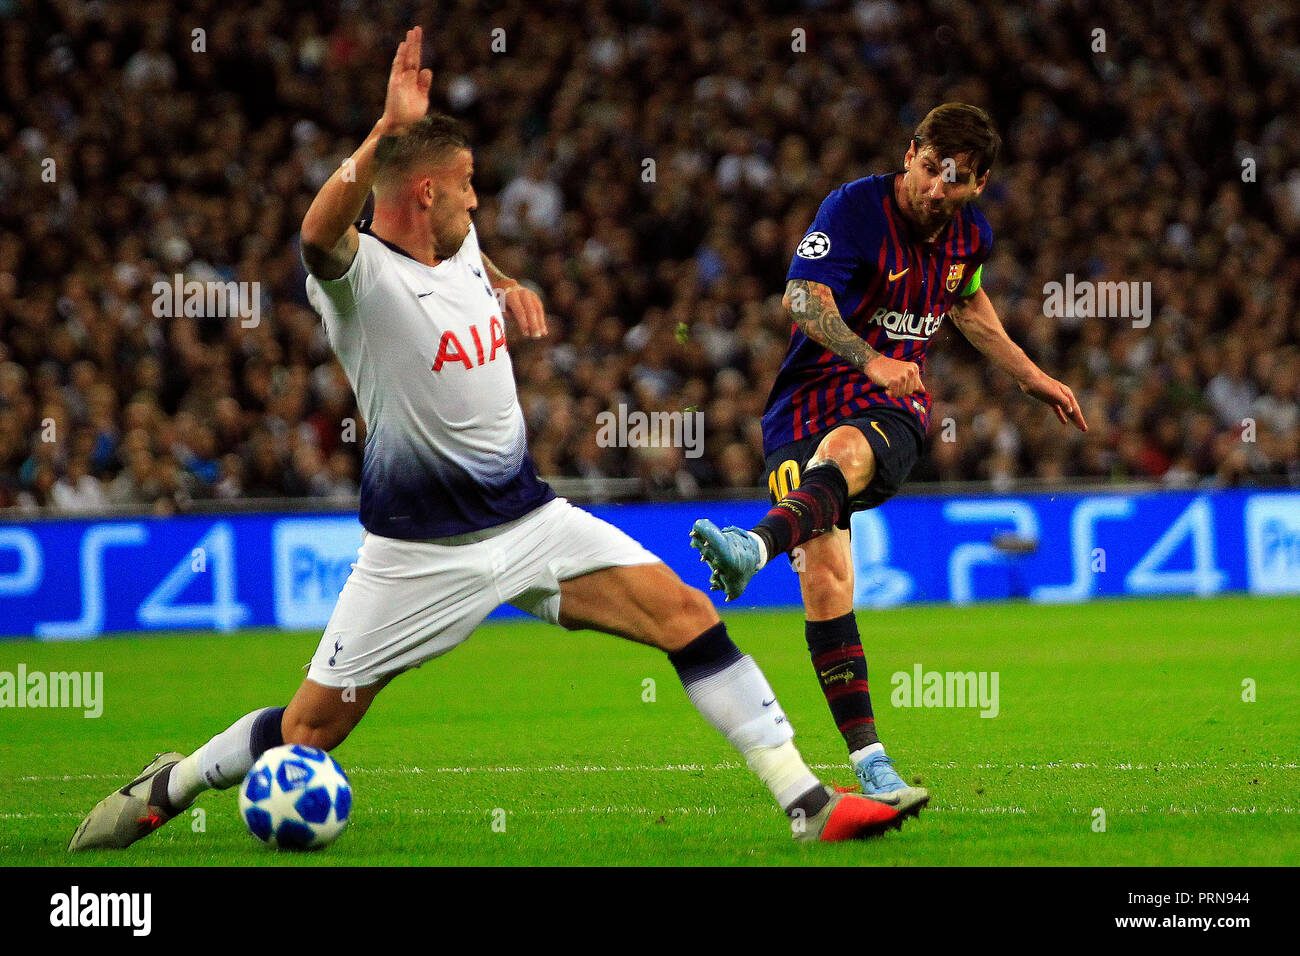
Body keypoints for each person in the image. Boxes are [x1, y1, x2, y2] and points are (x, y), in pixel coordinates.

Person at [69, 28, 919, 852]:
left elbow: (480, 261)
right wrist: (382, 133)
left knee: (688, 615)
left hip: (530, 521)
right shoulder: (360, 279)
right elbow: (315, 234)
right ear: (425, 193)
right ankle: (172, 786)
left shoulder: (463, 244)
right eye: (467, 185)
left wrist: (511, 287)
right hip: (417, 555)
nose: (480, 200)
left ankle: (806, 802)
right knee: (306, 735)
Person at [692, 103, 1089, 811]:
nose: (940, 186)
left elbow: (967, 306)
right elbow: (801, 295)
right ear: (911, 154)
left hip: (893, 407)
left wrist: (1032, 376)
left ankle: (752, 546)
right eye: (932, 167)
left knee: (844, 453)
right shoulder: (854, 208)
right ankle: (872, 764)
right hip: (804, 403)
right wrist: (867, 356)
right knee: (824, 575)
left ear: (980, 183)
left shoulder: (972, 237)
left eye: (958, 178)